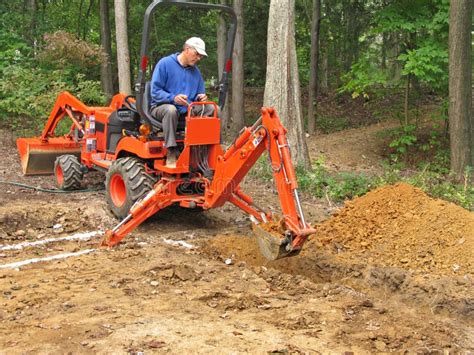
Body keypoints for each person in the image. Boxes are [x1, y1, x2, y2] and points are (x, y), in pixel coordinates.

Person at [150, 37, 217, 168]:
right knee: (171, 110)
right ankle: (171, 151)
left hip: (187, 108)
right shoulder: (165, 64)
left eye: (200, 56)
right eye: (196, 54)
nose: (198, 58)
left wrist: (201, 98)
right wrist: (173, 98)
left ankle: (208, 148)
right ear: (187, 50)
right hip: (161, 106)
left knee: (214, 109)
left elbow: (199, 94)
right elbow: (155, 91)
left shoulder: (196, 72)